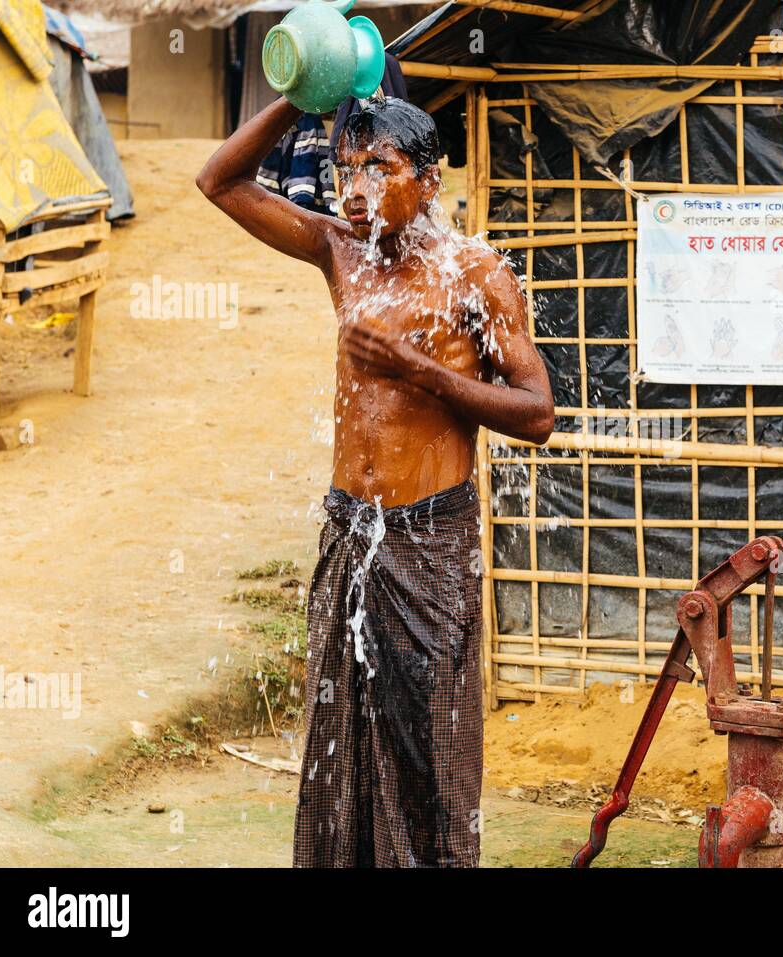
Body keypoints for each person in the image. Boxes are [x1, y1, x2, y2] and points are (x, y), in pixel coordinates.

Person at [196, 95, 554, 867]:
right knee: (340, 736)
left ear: (427, 182)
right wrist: (303, 91)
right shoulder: (340, 251)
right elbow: (220, 181)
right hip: (349, 531)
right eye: (343, 169)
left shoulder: (475, 274)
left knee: (429, 745)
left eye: (378, 169)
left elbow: (538, 411)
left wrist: (420, 372)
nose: (354, 189)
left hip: (428, 542)